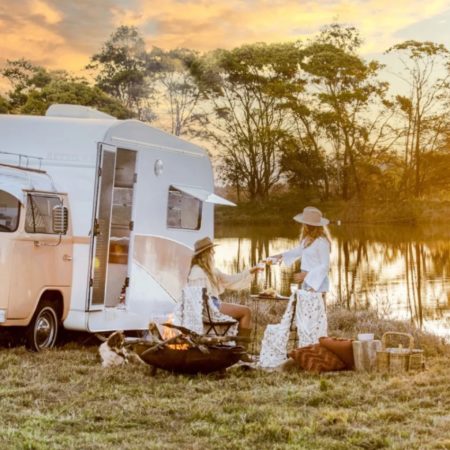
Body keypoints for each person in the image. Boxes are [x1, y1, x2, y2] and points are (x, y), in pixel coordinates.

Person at [187, 236, 262, 343]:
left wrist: (251, 271)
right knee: (246, 312)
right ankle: (241, 348)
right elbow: (197, 300)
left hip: (212, 305)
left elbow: (231, 280)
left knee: (245, 311)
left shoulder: (211, 270)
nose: (214, 253)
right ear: (205, 254)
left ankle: (239, 346)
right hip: (210, 309)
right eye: (211, 251)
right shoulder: (197, 272)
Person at [269, 206, 331, 295]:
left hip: (318, 282)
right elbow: (298, 251)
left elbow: (325, 266)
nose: (304, 225)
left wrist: (306, 275)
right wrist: (280, 256)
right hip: (307, 280)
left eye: (305, 223)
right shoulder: (307, 239)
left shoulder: (322, 242)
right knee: (303, 303)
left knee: (313, 304)